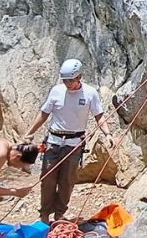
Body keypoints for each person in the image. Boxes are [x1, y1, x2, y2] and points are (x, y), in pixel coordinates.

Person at [24, 59, 113, 224]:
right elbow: (44, 114)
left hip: (74, 143)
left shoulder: (90, 93)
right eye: (65, 80)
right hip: (54, 141)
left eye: (71, 80)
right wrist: (30, 133)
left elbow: (98, 115)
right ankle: (44, 215)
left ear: (80, 77)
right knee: (48, 178)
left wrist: (107, 133)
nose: (67, 84)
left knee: (67, 180)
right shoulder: (56, 91)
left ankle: (59, 214)